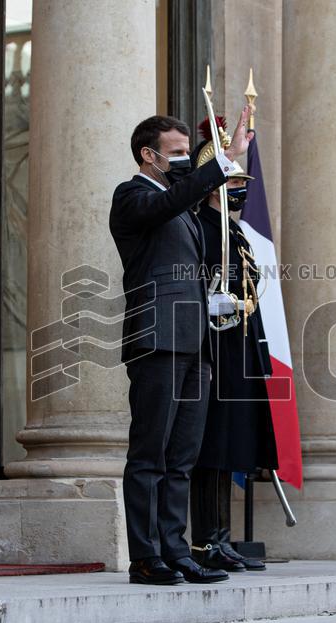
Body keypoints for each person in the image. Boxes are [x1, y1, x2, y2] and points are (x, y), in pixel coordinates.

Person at [109, 107, 250, 585]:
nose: (186, 160)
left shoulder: (184, 210)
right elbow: (164, 208)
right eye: (178, 153)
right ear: (148, 156)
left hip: (195, 340)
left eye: (190, 152)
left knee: (181, 456)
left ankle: (175, 549)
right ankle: (145, 556)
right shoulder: (132, 196)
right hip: (157, 337)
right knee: (150, 452)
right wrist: (222, 161)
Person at [188, 119, 275, 573]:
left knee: (231, 445)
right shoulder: (200, 224)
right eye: (232, 182)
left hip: (238, 346)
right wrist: (208, 298)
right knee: (210, 447)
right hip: (211, 347)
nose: (239, 190)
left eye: (242, 183)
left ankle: (221, 538)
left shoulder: (235, 231)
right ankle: (204, 540)